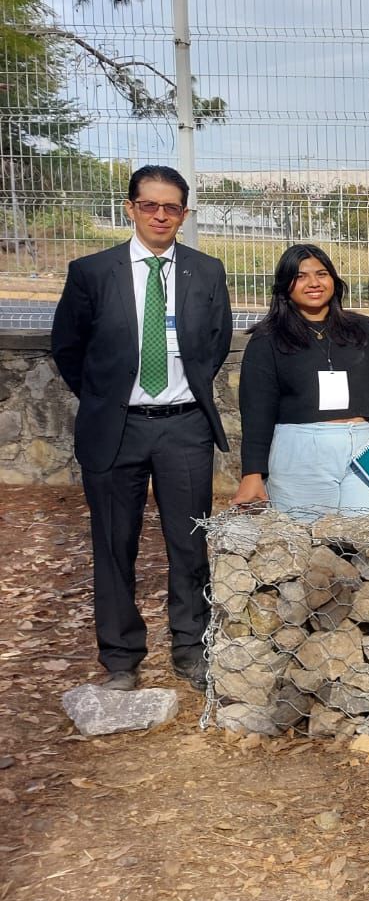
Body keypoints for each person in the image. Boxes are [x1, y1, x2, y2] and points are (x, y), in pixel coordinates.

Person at [50, 165, 233, 691]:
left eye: (171, 207)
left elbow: (214, 345)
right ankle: (121, 656)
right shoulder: (92, 272)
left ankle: (190, 647)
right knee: (114, 543)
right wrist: (108, 400)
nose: (159, 215)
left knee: (189, 542)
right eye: (149, 205)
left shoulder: (207, 270)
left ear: (184, 214)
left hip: (183, 427)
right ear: (130, 207)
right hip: (116, 428)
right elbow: (69, 347)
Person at [233, 245, 369, 520]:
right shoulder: (267, 339)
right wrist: (252, 473)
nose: (314, 283)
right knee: (306, 543)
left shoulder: (364, 330)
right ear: (285, 285)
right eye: (301, 277)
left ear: (334, 281)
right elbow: (256, 413)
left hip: (364, 447)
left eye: (321, 274)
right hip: (299, 450)